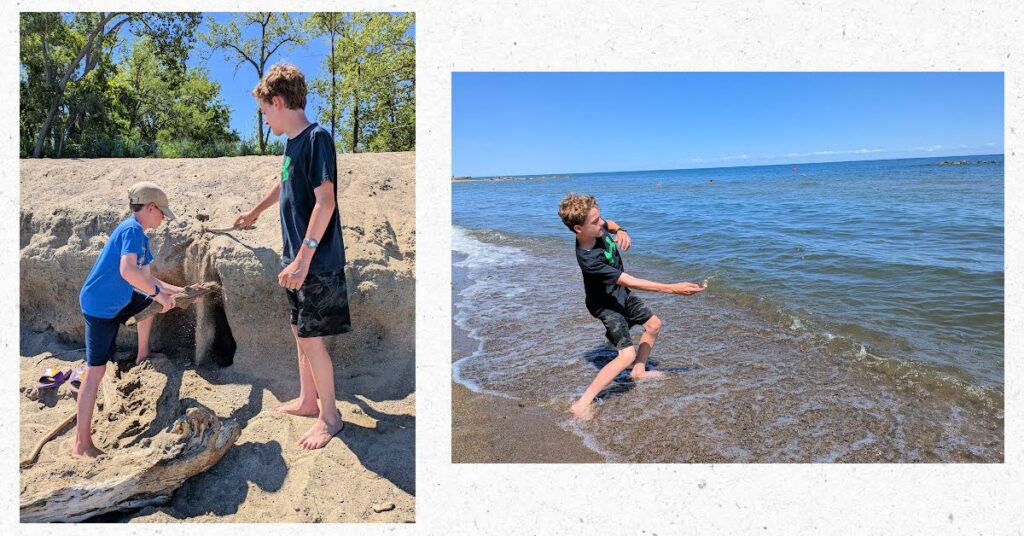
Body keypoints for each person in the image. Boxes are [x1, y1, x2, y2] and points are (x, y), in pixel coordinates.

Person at [234, 63, 350, 450]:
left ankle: (330, 417)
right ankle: (306, 399)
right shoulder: (292, 144)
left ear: (279, 102)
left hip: (314, 262)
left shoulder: (318, 139)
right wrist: (255, 211)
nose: (266, 121)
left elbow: (325, 201)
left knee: (313, 340)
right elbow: (283, 181)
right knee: (299, 332)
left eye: (266, 112)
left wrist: (303, 259)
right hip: (295, 260)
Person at [557, 193, 706, 421]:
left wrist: (622, 231)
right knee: (626, 355)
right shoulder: (589, 260)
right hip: (606, 304)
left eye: (600, 218)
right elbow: (630, 281)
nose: (602, 223)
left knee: (654, 325)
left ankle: (639, 370)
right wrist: (672, 288)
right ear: (578, 228)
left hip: (620, 295)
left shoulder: (596, 226)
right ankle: (582, 403)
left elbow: (612, 225)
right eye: (596, 221)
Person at [73, 182, 181, 458]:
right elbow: (128, 272)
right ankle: (81, 445)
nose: (163, 219)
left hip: (119, 298)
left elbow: (145, 279)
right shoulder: (132, 230)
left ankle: (142, 354)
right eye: (161, 213)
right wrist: (158, 294)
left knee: (149, 302)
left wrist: (177, 292)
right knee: (95, 372)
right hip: (100, 306)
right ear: (150, 207)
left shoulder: (141, 235)